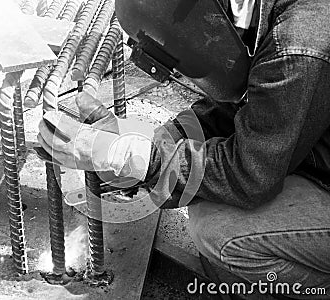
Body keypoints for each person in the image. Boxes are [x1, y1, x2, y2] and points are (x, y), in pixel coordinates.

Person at [38, 0, 330, 298]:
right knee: (206, 200)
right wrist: (161, 141)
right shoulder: (271, 20)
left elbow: (250, 174)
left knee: (218, 231)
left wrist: (132, 158)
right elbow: (250, 105)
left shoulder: (300, 44)